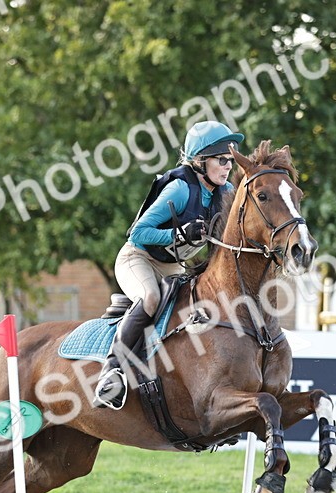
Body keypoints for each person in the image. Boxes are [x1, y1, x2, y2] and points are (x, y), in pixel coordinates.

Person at [93, 120, 243, 410]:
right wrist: (179, 234)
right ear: (200, 161)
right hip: (138, 258)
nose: (228, 166)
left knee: (198, 309)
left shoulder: (225, 193)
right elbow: (138, 232)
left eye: (230, 160)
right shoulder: (180, 189)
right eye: (221, 159)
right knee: (151, 297)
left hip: (173, 265)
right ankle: (111, 373)